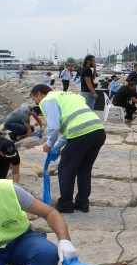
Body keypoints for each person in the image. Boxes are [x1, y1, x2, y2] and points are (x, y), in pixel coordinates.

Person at [30, 84, 106, 213]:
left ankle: (65, 204)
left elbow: (54, 127)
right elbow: (71, 127)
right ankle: (82, 203)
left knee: (65, 168)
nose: (36, 103)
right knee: (84, 169)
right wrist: (57, 146)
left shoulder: (47, 100)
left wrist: (49, 144)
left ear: (39, 94)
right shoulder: (68, 95)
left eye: (34, 99)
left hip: (82, 133)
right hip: (98, 131)